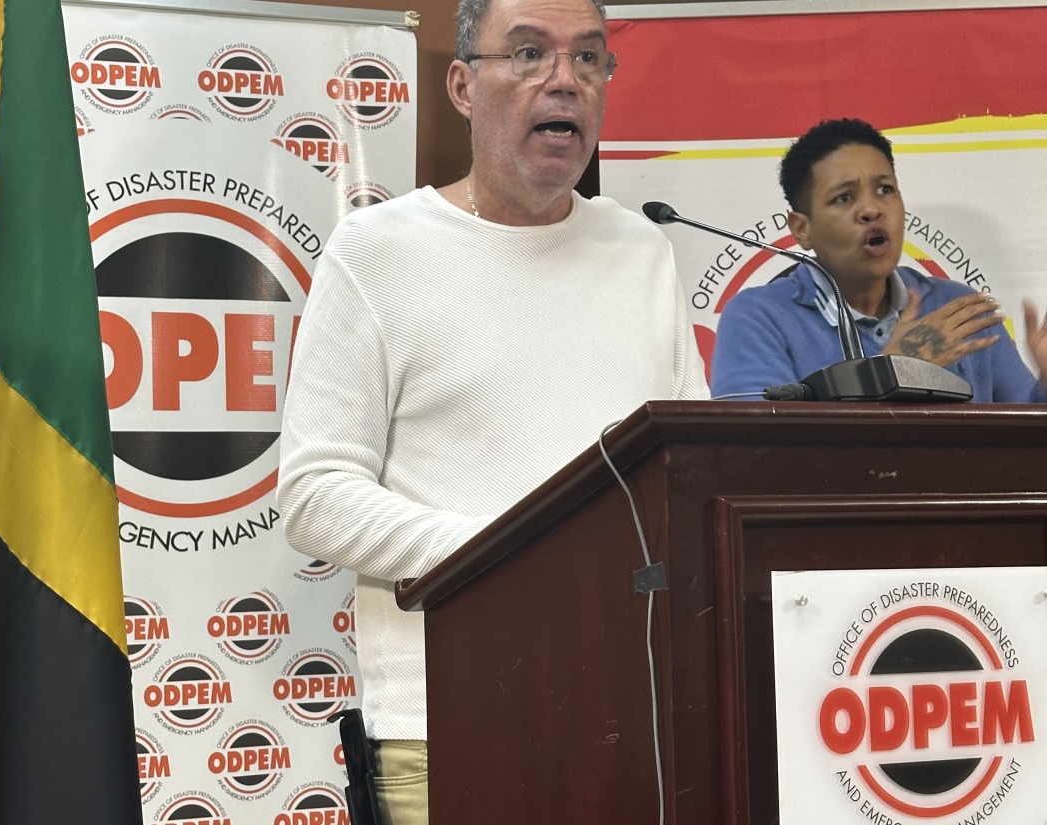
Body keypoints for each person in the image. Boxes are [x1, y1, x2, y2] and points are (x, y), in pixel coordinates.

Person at [277, 0, 708, 821]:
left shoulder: (642, 248)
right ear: (463, 85)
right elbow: (314, 494)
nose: (566, 81)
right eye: (529, 54)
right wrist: (511, 551)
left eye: (589, 59)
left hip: (632, 712)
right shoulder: (378, 253)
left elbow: (686, 472)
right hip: (447, 722)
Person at [710, 118, 1047, 401]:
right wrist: (891, 372)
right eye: (844, 197)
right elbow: (752, 454)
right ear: (802, 229)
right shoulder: (758, 318)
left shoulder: (955, 307)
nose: (872, 209)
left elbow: (1026, 438)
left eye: (885, 189)